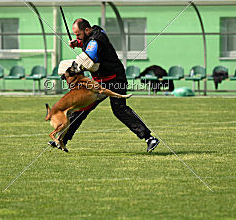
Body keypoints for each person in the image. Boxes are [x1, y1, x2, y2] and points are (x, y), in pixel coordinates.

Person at [49, 18, 159, 152]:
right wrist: (78, 43)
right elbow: (87, 43)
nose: (77, 36)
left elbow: (89, 58)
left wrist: (72, 69)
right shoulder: (91, 35)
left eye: (78, 34)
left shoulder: (96, 40)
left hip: (115, 79)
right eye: (75, 35)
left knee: (119, 109)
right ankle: (62, 139)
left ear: (87, 30)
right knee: (82, 109)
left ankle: (149, 138)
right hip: (99, 81)